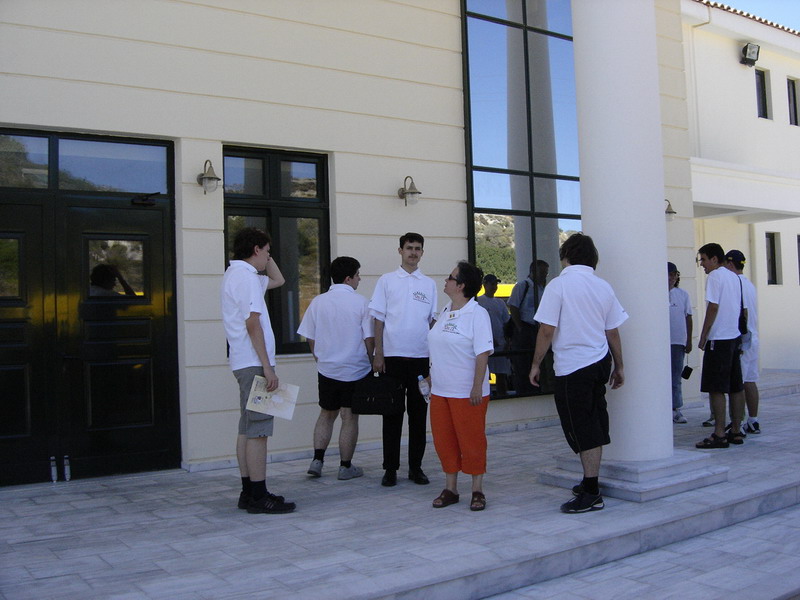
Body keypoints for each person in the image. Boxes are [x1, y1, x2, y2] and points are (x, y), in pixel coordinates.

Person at [528, 234, 627, 513]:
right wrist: (620, 366)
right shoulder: (603, 286)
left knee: (582, 428)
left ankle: (592, 491)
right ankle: (589, 481)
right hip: (599, 363)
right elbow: (612, 331)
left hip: (573, 367)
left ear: (566, 256)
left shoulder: (558, 285)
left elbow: (546, 330)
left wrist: (535, 364)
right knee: (593, 422)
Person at [220, 227, 295, 514]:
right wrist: (267, 367)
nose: (268, 256)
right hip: (254, 363)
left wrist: (266, 255)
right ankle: (259, 495)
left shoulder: (236, 274)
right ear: (255, 250)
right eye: (266, 251)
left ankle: (249, 492)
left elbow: (279, 279)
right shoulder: (248, 277)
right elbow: (253, 323)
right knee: (259, 431)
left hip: (243, 361)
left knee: (247, 428)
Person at [369, 232, 438, 487]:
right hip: (392, 359)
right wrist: (378, 353)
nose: (413, 252)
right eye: (409, 248)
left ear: (422, 253)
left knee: (418, 417)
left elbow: (431, 322)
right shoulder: (387, 281)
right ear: (400, 251)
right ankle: (390, 469)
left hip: (420, 359)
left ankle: (416, 468)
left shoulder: (429, 284)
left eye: (418, 248)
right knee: (392, 415)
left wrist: (435, 360)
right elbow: (378, 319)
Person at [297, 256, 375, 480]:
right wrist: (373, 362)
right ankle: (345, 466)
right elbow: (369, 338)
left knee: (326, 413)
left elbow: (310, 336)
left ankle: (317, 460)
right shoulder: (361, 303)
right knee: (349, 416)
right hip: (355, 369)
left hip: (327, 368)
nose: (360, 279)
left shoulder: (318, 302)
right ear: (348, 278)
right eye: (358, 275)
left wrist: (319, 358)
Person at [426, 261, 494, 511]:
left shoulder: (477, 314)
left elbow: (482, 353)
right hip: (440, 391)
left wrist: (477, 386)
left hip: (467, 393)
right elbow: (439, 347)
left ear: (461, 285)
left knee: (472, 440)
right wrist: (431, 377)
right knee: (444, 440)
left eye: (451, 277)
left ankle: (477, 490)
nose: (446, 281)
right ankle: (451, 488)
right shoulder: (445, 310)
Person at [695, 242, 747, 449]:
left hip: (719, 339)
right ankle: (735, 430)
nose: (702, 264)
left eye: (704, 259)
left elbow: (713, 307)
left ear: (714, 259)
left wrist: (704, 335)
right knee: (735, 386)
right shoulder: (734, 277)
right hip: (733, 337)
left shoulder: (715, 276)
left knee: (716, 388)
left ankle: (719, 434)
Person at [725, 249, 761, 434]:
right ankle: (753, 421)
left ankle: (736, 425)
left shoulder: (736, 283)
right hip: (754, 339)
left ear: (730, 264)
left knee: (737, 384)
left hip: (743, 341)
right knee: (750, 381)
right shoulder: (749, 284)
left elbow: (743, 312)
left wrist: (739, 340)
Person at [508, 260, 549, 395]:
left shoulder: (542, 289)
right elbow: (513, 306)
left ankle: (538, 388)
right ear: (533, 271)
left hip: (538, 328)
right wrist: (520, 327)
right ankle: (524, 391)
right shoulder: (522, 286)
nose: (544, 276)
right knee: (523, 362)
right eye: (542, 272)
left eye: (546, 273)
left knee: (538, 359)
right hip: (526, 327)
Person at [476, 273, 511, 396]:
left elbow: (506, 323)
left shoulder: (500, 303)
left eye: (496, 284)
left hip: (500, 344)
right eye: (492, 284)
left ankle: (503, 396)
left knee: (501, 375)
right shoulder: (478, 301)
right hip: (485, 345)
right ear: (484, 285)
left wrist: (507, 342)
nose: (494, 286)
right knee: (484, 374)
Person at [668, 262, 692, 424]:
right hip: (661, 344)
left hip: (677, 342)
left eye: (674, 274)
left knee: (676, 377)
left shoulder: (683, 295)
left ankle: (676, 408)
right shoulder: (655, 294)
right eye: (668, 274)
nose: (671, 278)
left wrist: (688, 340)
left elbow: (688, 317)